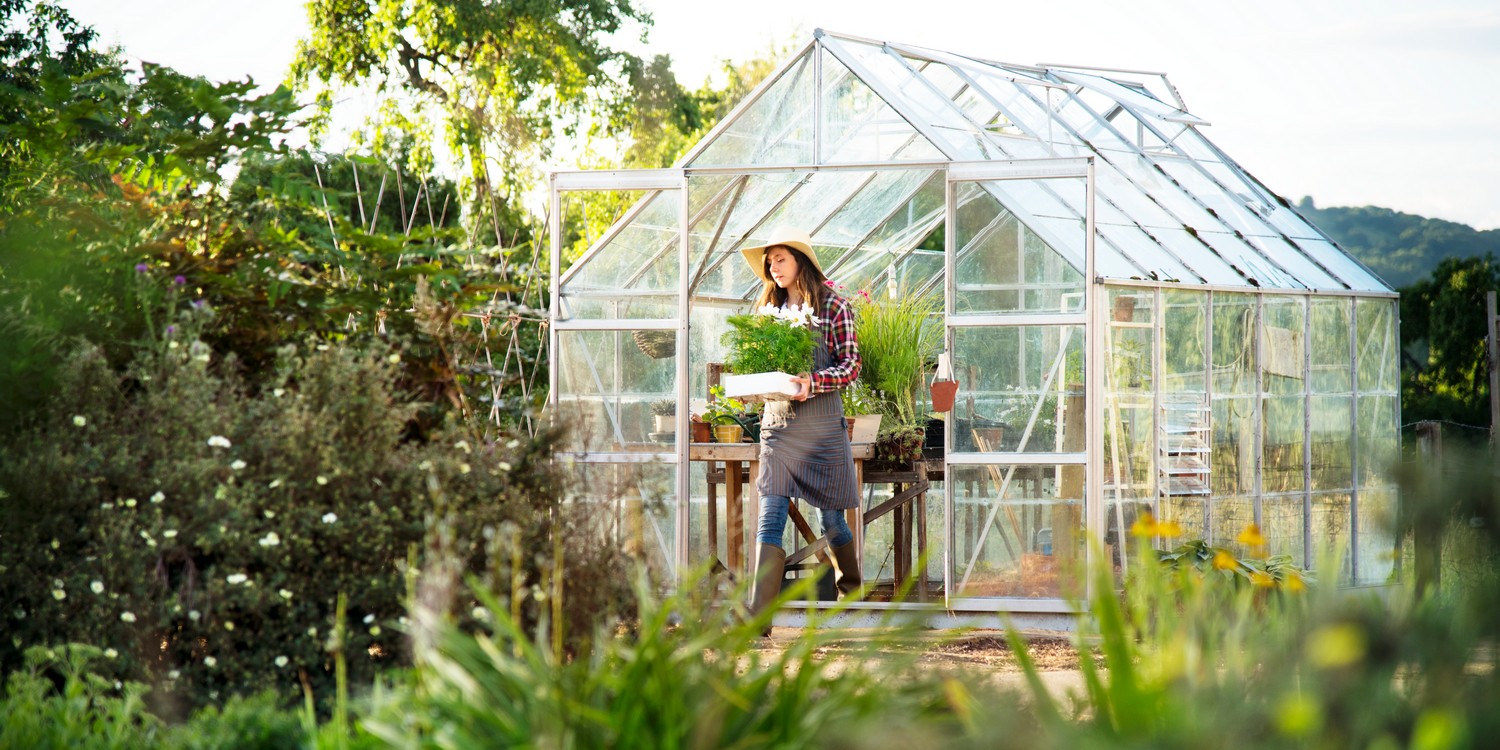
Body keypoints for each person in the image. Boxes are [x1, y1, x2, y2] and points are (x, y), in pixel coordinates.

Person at [736, 226, 863, 630]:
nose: (773, 267)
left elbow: (851, 366)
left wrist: (814, 382)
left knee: (832, 522)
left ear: (800, 261)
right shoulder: (766, 312)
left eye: (780, 258)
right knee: (770, 516)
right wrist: (748, 389)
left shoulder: (832, 307)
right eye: (769, 261)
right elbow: (756, 367)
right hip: (778, 428)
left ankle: (852, 588)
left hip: (823, 429)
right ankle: (758, 621)